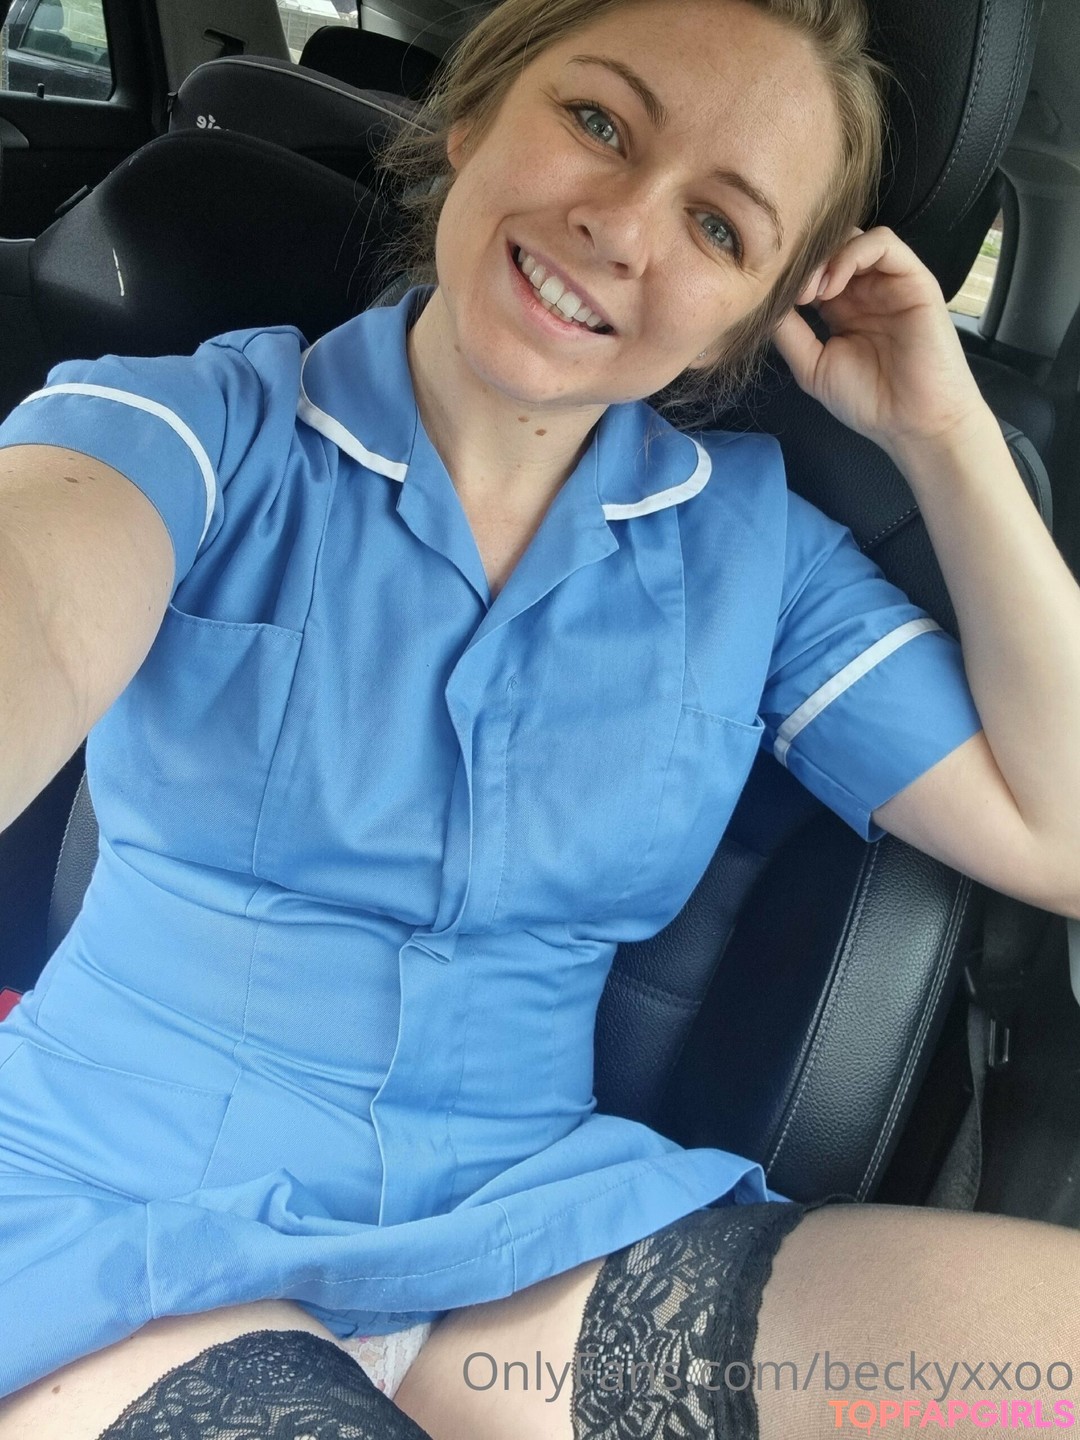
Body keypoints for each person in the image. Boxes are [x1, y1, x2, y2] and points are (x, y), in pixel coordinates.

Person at [0, 0, 1078, 1436]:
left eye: (720, 228)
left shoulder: (760, 554)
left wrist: (943, 434)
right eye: (598, 122)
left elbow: (1062, 833)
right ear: (474, 114)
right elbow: (35, 592)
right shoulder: (196, 428)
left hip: (520, 1244)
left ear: (752, 313)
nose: (622, 228)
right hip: (113, 1224)